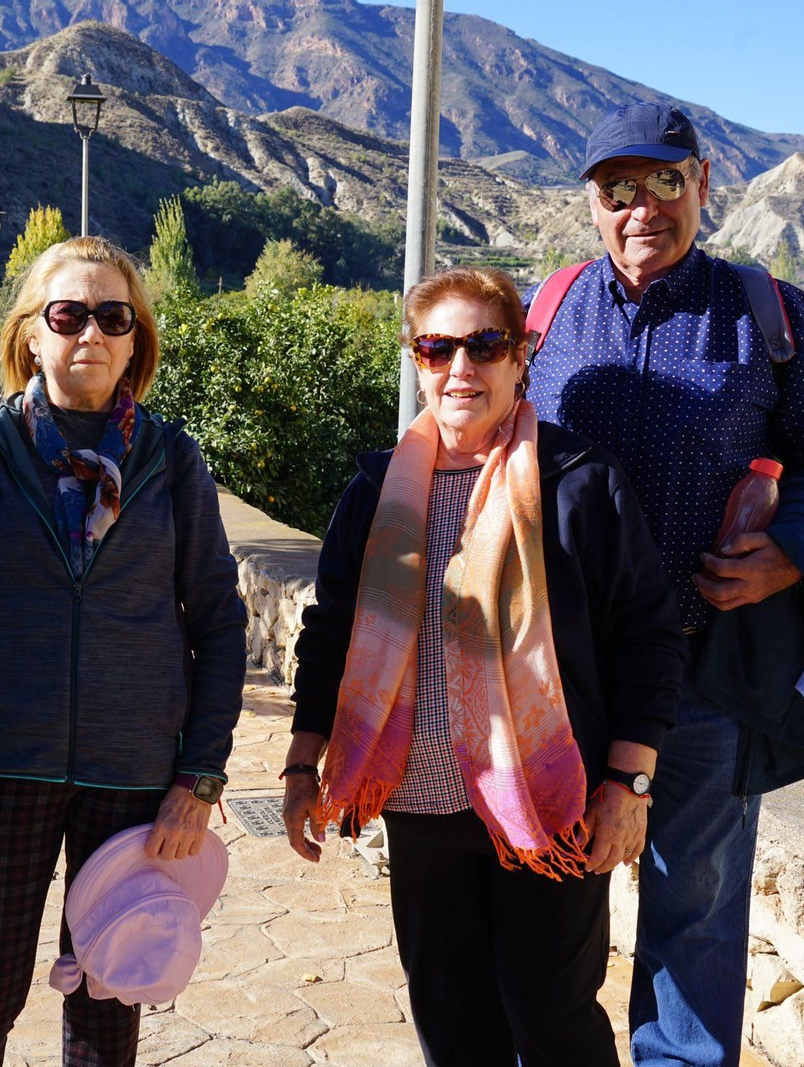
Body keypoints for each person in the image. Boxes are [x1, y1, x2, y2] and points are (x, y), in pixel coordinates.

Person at [524, 103, 804, 1066]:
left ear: (704, 184)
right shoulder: (545, 313)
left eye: (664, 181)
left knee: (697, 919)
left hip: (707, 673)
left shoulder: (767, 312)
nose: (642, 207)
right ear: (591, 202)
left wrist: (788, 553)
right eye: (618, 189)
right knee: (550, 916)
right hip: (564, 678)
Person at [280, 266, 687, 1066]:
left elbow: (648, 636)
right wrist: (302, 765)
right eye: (437, 348)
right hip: (419, 802)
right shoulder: (374, 490)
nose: (460, 366)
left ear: (519, 357)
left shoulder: (579, 482)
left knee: (552, 1018)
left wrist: (630, 783)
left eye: (485, 344)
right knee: (452, 1021)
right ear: (416, 360)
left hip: (547, 805)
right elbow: (328, 635)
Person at [0, 235, 247, 1066]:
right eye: (68, 314)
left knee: (107, 996)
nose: (91, 331)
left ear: (135, 340)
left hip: (132, 778)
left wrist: (199, 777)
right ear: (32, 333)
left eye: (113, 316)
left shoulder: (172, 459)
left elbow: (218, 622)